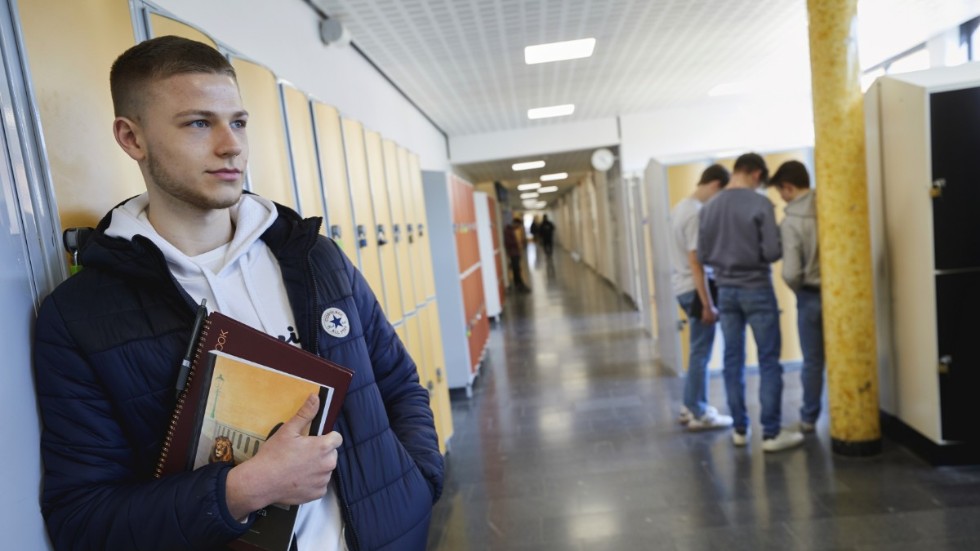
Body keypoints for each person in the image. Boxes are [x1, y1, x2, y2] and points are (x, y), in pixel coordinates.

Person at [32, 36, 443, 551]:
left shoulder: (314, 258)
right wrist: (240, 491)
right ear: (131, 138)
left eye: (239, 122)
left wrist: (420, 482)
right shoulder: (80, 316)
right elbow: (84, 518)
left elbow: (398, 384)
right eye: (199, 123)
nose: (232, 145)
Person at [698, 152, 803, 452]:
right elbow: (771, 252)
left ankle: (740, 430)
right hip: (757, 289)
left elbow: (703, 256)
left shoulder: (709, 207)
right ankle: (770, 434)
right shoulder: (760, 204)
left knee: (733, 361)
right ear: (757, 175)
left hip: (726, 291)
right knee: (769, 361)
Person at [670, 164, 733, 431]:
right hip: (695, 289)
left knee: (698, 351)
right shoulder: (695, 214)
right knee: (701, 353)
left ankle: (689, 405)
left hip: (682, 286)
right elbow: (696, 262)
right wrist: (707, 303)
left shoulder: (679, 208)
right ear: (716, 185)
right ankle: (698, 411)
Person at [771, 160, 824, 434]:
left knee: (813, 361)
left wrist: (798, 290)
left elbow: (790, 272)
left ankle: (809, 418)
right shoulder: (829, 205)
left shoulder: (791, 222)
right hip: (843, 296)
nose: (781, 197)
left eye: (781, 191)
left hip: (810, 296)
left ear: (788, 187)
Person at [504, 215, 530, 292]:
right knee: (516, 269)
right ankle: (519, 285)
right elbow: (508, 243)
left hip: (516, 252)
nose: (518, 228)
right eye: (518, 226)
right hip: (513, 253)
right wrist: (517, 243)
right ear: (515, 223)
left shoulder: (511, 230)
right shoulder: (507, 231)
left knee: (517, 269)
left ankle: (519, 284)